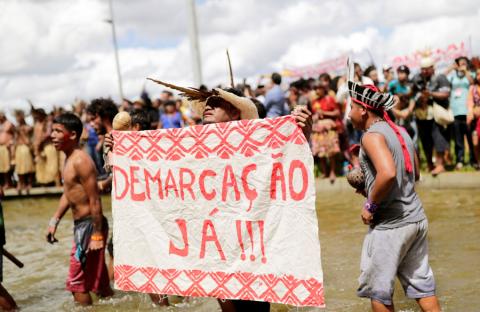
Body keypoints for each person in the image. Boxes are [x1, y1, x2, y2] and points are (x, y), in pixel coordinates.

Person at [106, 83, 312, 312]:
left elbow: (288, 161)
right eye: (207, 103)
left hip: (249, 240)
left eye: (217, 102)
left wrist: (304, 130)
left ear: (235, 112)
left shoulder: (256, 140)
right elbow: (157, 176)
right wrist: (121, 151)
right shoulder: (193, 143)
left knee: (254, 306)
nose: (208, 106)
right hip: (213, 242)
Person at [347, 75, 440, 312]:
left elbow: (388, 174)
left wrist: (370, 204)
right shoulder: (400, 131)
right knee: (423, 288)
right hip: (416, 220)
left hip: (392, 226)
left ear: (364, 110)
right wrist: (370, 186)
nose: (349, 114)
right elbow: (414, 173)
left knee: (379, 294)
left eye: (352, 107)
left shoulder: (371, 136)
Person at [46, 113, 113, 306]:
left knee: (77, 284)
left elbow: (94, 199)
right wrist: (54, 221)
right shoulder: (68, 159)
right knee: (100, 284)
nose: (53, 135)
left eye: (58, 131)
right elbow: (69, 193)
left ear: (73, 135)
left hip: (90, 227)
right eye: (53, 130)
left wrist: (98, 234)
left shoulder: (80, 161)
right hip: (83, 227)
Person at [412, 57, 451, 175]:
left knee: (438, 138)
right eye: (422, 69)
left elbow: (445, 93)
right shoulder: (417, 80)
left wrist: (430, 94)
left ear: (432, 68)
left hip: (436, 115)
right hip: (422, 116)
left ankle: (440, 165)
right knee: (425, 141)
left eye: (426, 69)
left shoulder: (440, 78)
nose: (424, 71)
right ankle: (430, 164)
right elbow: (412, 93)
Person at [446, 57, 475, 169]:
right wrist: (451, 68)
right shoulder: (452, 77)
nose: (461, 65)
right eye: (459, 63)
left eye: (464, 63)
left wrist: (465, 70)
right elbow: (441, 78)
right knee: (458, 139)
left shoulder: (470, 75)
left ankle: (473, 160)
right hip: (455, 112)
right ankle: (460, 160)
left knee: (470, 137)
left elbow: (472, 82)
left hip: (468, 111)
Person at [311, 83, 341, 183]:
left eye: (318, 88)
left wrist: (324, 113)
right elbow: (314, 114)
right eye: (315, 89)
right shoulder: (314, 102)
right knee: (320, 152)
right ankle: (324, 172)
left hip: (329, 128)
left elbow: (337, 112)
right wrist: (315, 116)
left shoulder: (330, 99)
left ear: (324, 89)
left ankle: (332, 172)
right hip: (318, 129)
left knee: (331, 151)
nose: (317, 91)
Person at [32, 108, 59, 186]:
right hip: (40, 147)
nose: (37, 116)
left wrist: (40, 142)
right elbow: (35, 136)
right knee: (41, 164)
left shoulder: (48, 122)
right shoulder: (37, 124)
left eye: (38, 115)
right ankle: (44, 182)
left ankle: (57, 183)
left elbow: (48, 134)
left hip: (49, 145)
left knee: (53, 164)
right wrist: (36, 145)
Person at [14, 110, 34, 194]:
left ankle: (29, 184)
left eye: (19, 118)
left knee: (28, 167)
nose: (18, 119)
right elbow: (15, 138)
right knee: (20, 167)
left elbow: (31, 134)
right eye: (17, 118)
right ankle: (20, 183)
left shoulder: (28, 127)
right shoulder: (16, 128)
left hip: (26, 147)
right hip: (19, 147)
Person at [467, 67, 480, 169]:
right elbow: (469, 102)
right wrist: (471, 112)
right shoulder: (473, 88)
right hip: (476, 121)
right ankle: (478, 162)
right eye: (478, 74)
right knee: (475, 142)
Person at [0, 112, 14, 189]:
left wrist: (11, 142)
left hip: (7, 148)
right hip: (1, 148)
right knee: (1, 167)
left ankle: (8, 183)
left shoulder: (9, 124)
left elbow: (15, 134)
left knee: (7, 166)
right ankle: (4, 183)